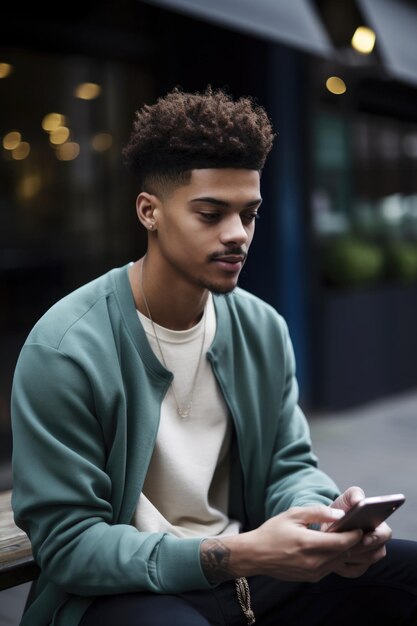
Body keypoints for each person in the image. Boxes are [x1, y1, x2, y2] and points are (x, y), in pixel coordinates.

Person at [11, 87, 417, 626]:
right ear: (149, 212)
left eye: (249, 214)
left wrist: (324, 520)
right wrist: (243, 553)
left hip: (249, 575)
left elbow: (288, 466)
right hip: (124, 593)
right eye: (210, 213)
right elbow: (70, 548)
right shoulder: (65, 347)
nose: (237, 235)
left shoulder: (261, 328)